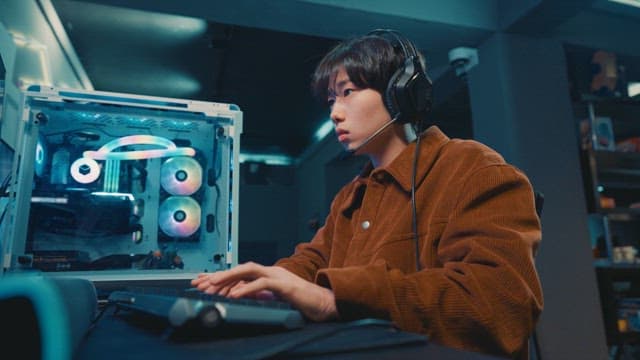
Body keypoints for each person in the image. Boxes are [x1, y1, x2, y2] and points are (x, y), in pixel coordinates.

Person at [192, 29, 543, 359]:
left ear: (401, 93)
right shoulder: (351, 196)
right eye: (331, 99)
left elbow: (497, 306)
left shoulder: (474, 170)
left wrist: (334, 299)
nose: (334, 112)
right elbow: (313, 260)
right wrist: (265, 284)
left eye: (347, 92)